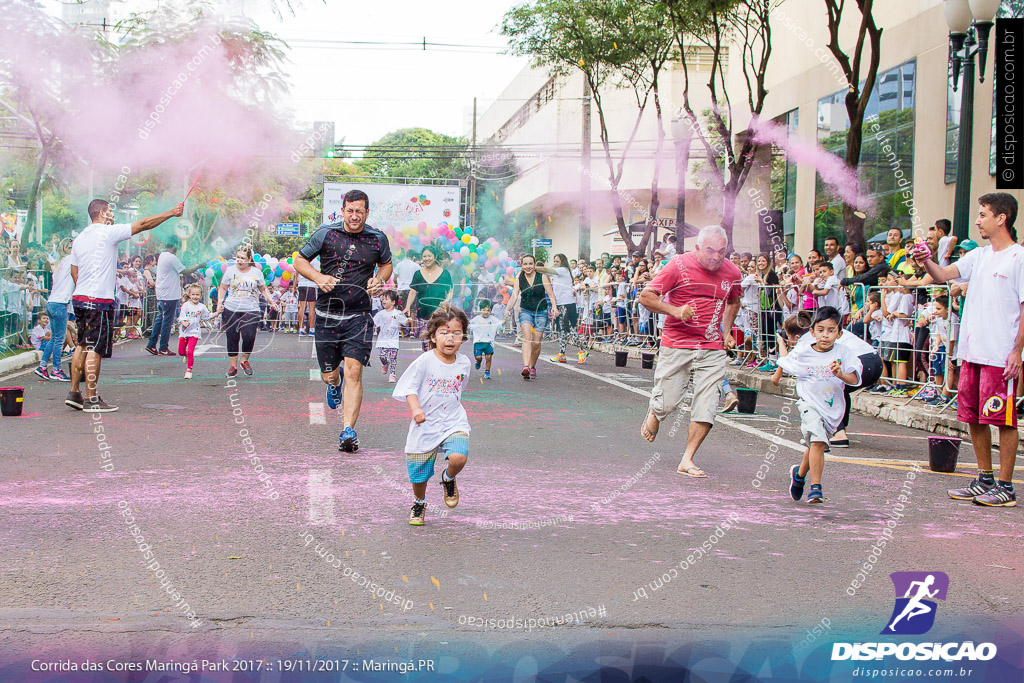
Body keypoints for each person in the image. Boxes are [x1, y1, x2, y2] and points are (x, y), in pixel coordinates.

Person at [911, 192, 1022, 506]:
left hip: (1001, 355)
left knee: (1004, 420)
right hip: (972, 351)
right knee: (974, 417)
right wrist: (927, 260)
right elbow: (943, 276)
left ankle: (1006, 486)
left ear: (1002, 218)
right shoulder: (980, 256)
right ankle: (985, 478)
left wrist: (1017, 350)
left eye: (983, 214)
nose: (977, 220)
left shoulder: (1019, 258)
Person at [294, 188, 393, 453]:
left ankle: (348, 430)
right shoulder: (326, 234)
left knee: (354, 371)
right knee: (330, 376)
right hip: (327, 317)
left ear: (367, 212)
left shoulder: (377, 238)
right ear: (342, 211)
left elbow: (386, 264)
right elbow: (299, 260)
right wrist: (317, 277)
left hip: (359, 317)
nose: (354, 215)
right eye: (350, 210)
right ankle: (333, 380)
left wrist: (379, 279)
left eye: (359, 211)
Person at [638, 225, 741, 478]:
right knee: (668, 401)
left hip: (711, 346)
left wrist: (726, 332)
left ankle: (687, 458)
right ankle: (656, 410)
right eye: (710, 251)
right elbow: (645, 296)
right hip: (677, 342)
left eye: (721, 251)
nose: (716, 257)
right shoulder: (678, 265)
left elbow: (734, 300)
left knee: (707, 402)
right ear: (697, 248)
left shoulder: (732, 271)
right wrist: (675, 310)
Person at [65, 200, 184, 413]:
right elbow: (144, 224)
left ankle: (75, 393)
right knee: (95, 348)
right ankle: (92, 399)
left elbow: (75, 272)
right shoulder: (108, 232)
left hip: (80, 298)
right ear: (102, 213)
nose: (113, 214)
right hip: (98, 300)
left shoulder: (80, 238)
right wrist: (171, 212)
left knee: (82, 345)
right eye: (110, 211)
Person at [392, 306, 472, 526]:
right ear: (433, 335)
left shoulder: (464, 363)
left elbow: (459, 388)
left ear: (463, 337)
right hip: (425, 424)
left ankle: (448, 478)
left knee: (459, 457)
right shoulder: (424, 361)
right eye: (444, 332)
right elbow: (409, 387)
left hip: (453, 421)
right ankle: (419, 502)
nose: (450, 338)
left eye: (456, 333)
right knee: (418, 475)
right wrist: (416, 409)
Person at [775, 306, 863, 504]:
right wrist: (777, 375)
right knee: (816, 441)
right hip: (809, 404)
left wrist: (841, 374)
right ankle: (816, 488)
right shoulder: (804, 352)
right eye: (821, 330)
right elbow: (786, 362)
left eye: (831, 331)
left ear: (839, 333)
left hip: (832, 409)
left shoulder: (844, 353)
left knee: (817, 444)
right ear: (812, 332)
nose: (826, 335)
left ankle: (799, 474)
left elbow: (855, 378)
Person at [215, 246, 279, 378]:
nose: (239, 260)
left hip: (251, 308)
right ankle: (233, 366)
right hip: (231, 308)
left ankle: (244, 360)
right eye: (238, 257)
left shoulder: (256, 272)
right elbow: (223, 287)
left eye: (243, 258)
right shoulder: (230, 271)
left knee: (249, 336)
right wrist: (220, 303)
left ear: (249, 259)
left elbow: (263, 289)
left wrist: (271, 302)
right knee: (232, 337)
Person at [504, 254, 558, 380]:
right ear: (522, 266)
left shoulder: (542, 277)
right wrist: (508, 308)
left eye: (530, 264)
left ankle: (533, 366)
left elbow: (551, 294)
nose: (528, 267)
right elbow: (514, 296)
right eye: (525, 264)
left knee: (536, 342)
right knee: (527, 337)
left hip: (541, 311)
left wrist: (554, 306)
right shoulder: (519, 280)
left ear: (534, 265)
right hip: (525, 311)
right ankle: (526, 366)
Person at [146, 245, 199, 356]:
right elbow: (184, 271)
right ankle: (163, 347)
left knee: (160, 318)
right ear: (174, 245)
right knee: (167, 321)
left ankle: (151, 344)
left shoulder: (162, 256)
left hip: (162, 293)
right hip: (169, 294)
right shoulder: (171, 257)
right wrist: (198, 266)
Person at [36, 238, 74, 381]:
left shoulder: (59, 263)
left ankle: (43, 366)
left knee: (55, 338)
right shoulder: (70, 259)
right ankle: (56, 370)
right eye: (71, 247)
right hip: (60, 303)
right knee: (59, 338)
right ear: (66, 248)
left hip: (52, 302)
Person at [404, 245, 453, 352]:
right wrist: (407, 307)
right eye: (424, 256)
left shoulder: (444, 273)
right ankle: (429, 366)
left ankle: (439, 366)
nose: (427, 259)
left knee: (439, 343)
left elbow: (450, 290)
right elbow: (413, 291)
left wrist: (446, 301)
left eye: (429, 256)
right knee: (426, 344)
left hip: (440, 315)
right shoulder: (418, 274)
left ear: (435, 257)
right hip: (423, 315)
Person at [535, 253, 579, 363]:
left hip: (567, 304)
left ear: (563, 262)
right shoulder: (558, 273)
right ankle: (562, 354)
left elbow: (546, 270)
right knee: (562, 330)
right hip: (561, 303)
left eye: (557, 261)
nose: (555, 263)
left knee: (569, 329)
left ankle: (582, 350)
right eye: (554, 261)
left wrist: (532, 267)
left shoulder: (563, 270)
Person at [177, 283, 219, 379]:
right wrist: (184, 323)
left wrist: (217, 312)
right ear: (189, 295)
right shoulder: (185, 305)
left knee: (190, 351)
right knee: (181, 351)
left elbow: (206, 316)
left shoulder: (202, 307)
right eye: (193, 294)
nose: (195, 297)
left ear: (201, 296)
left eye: (197, 295)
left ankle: (189, 370)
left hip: (194, 332)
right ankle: (185, 356)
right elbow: (181, 317)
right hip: (184, 332)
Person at [373, 290, 407, 383]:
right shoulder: (381, 313)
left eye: (386, 299)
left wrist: (408, 321)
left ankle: (392, 374)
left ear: (393, 302)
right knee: (382, 356)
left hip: (394, 340)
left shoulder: (397, 313)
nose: (383, 301)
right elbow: (374, 322)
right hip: (383, 339)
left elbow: (404, 320)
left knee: (393, 358)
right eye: (383, 299)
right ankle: (385, 363)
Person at [469, 298, 502, 379]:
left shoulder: (493, 319)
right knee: (478, 357)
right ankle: (478, 361)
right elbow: (470, 325)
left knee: (488, 357)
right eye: (483, 310)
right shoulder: (476, 319)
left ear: (490, 311)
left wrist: (506, 318)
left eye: (488, 310)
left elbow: (500, 324)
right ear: (480, 310)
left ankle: (487, 371)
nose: (486, 312)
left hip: (488, 342)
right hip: (478, 342)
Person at [295, 256, 320, 335]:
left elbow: (296, 274)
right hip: (311, 285)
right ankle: (312, 329)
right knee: (311, 308)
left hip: (302, 285)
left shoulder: (301, 259)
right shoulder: (316, 261)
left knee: (302, 307)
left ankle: (301, 329)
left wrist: (295, 285)